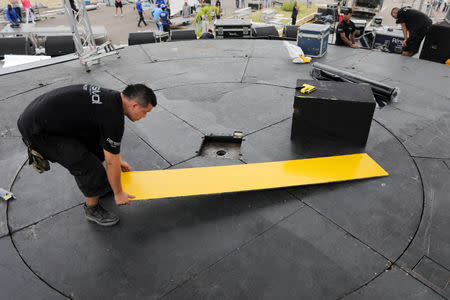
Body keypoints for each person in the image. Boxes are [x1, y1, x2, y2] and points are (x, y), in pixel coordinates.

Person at [17, 84, 157, 226]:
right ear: (133, 105)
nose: (144, 116)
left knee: (97, 149)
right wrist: (119, 193)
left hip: (44, 117)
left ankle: (100, 186)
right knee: (87, 165)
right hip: (37, 130)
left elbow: (108, 146)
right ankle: (92, 209)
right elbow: (111, 162)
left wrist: (118, 160)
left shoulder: (112, 98)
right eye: (145, 112)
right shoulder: (113, 117)